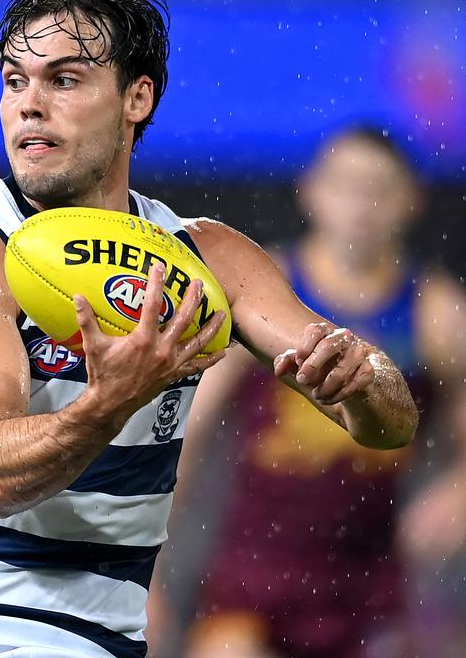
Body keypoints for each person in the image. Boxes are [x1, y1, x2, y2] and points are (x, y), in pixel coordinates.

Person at [0, 0, 418, 658]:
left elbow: (387, 424)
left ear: (136, 98)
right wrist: (113, 398)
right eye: (15, 80)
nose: (29, 105)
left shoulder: (209, 260)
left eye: (65, 80)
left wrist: (365, 379)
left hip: (98, 637)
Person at [168, 125, 466, 658]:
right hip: (254, 565)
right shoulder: (266, 290)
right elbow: (190, 425)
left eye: (378, 188)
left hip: (369, 577)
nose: (362, 206)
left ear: (411, 200)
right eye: (348, 185)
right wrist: (147, 558)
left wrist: (456, 495)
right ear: (312, 191)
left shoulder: (436, 314)